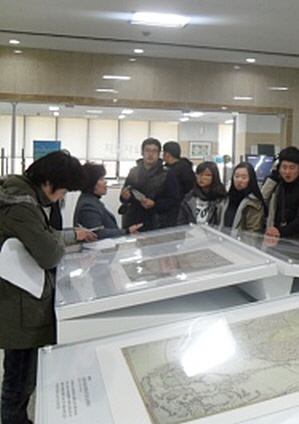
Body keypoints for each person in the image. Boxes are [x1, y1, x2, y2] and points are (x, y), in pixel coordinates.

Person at [0, 151, 96, 424]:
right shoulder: (21, 206)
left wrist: (59, 236)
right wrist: (55, 240)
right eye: (64, 190)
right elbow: (49, 254)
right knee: (19, 378)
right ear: (49, 182)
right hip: (19, 304)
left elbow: (45, 236)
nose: (62, 197)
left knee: (20, 374)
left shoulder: (20, 195)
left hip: (20, 299)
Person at [119, 137, 180, 231]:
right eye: (147, 150)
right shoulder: (134, 172)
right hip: (134, 220)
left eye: (154, 151)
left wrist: (155, 204)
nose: (150, 154)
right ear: (142, 153)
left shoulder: (167, 173)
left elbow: (174, 200)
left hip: (157, 222)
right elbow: (125, 195)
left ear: (159, 154)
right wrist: (125, 197)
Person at [262, 147, 299, 241]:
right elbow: (261, 199)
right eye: (284, 167)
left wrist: (280, 232)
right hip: (275, 238)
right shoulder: (277, 185)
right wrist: (273, 177)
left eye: (292, 168)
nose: (287, 172)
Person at [74, 163, 143, 239]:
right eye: (101, 179)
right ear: (91, 183)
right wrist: (127, 231)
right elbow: (97, 233)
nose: (105, 182)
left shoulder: (92, 201)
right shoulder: (88, 205)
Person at [218, 162, 266, 232]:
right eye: (236, 176)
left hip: (241, 239)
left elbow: (252, 232)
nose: (239, 180)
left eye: (244, 178)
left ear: (250, 179)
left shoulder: (254, 203)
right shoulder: (226, 199)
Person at [177, 162, 227, 226]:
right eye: (199, 174)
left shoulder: (221, 199)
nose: (202, 178)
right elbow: (181, 222)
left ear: (214, 177)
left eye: (207, 175)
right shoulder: (189, 198)